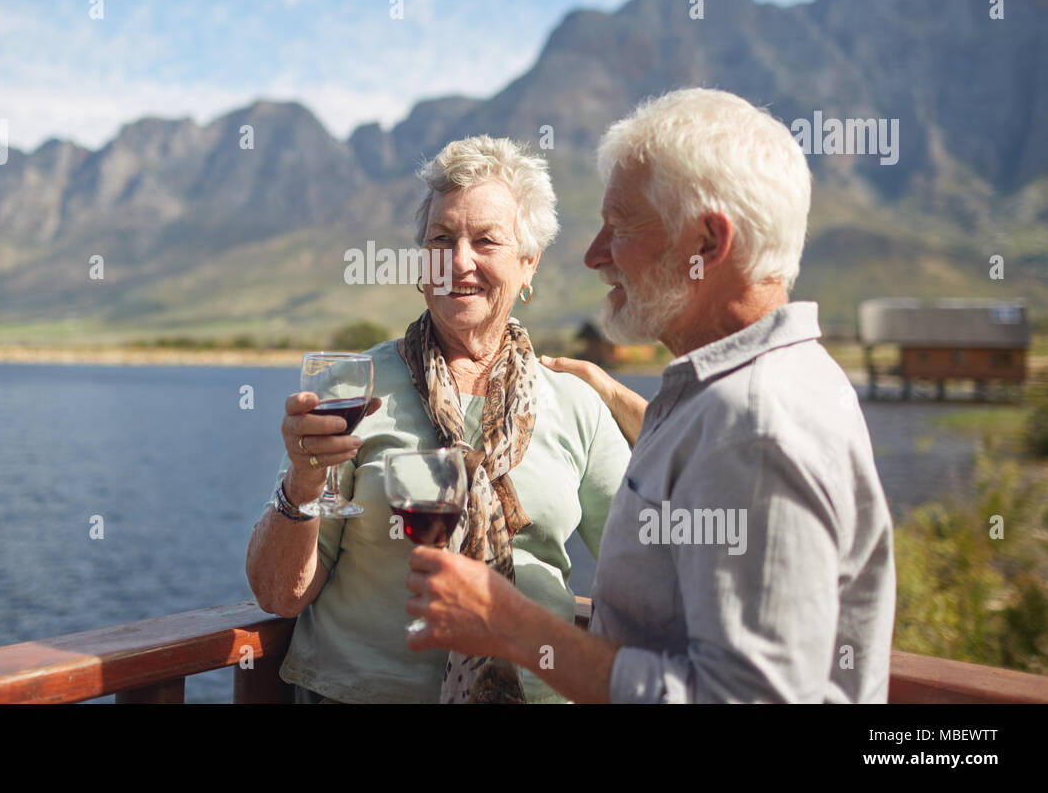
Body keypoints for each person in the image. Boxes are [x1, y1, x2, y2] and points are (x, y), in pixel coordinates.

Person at [405, 89, 897, 703]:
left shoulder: (755, 427)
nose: (593, 256)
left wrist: (512, 627)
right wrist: (617, 396)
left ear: (707, 246)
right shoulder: (743, 401)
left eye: (622, 228)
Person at [245, 135, 632, 703]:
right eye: (441, 239)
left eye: (486, 241)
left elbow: (645, 568)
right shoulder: (352, 387)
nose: (459, 261)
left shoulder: (575, 404)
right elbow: (279, 595)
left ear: (529, 265)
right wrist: (302, 483)